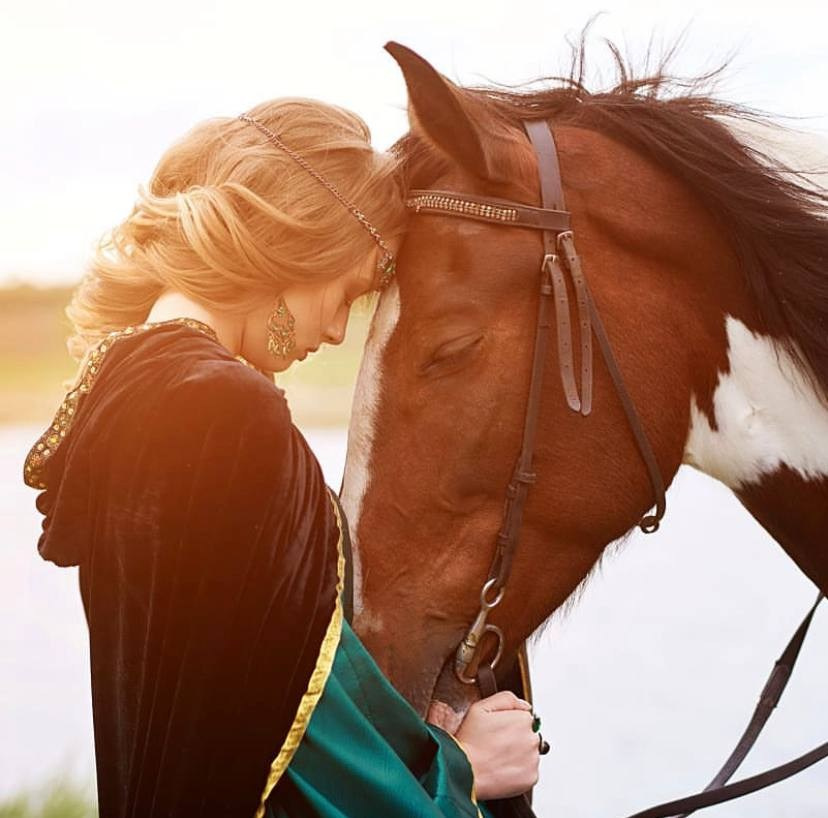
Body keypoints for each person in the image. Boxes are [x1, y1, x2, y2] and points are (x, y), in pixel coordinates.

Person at [23, 97, 541, 818]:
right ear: (303, 245)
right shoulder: (227, 413)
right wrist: (458, 773)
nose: (336, 332)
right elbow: (298, 728)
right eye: (350, 293)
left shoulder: (127, 387)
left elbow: (222, 694)